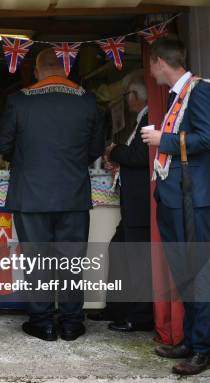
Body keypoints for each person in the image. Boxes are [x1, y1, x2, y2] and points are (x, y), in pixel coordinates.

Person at [0, 48, 104, 342]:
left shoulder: (18, 101)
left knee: (36, 259)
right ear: (65, 70)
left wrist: (26, 157)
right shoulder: (88, 101)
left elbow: (2, 144)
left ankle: (42, 322)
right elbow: (96, 148)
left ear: (36, 70)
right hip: (73, 193)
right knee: (71, 261)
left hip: (30, 195)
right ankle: (71, 323)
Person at [141, 38, 210, 375]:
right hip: (174, 197)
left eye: (150, 63)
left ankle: (202, 349)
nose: (150, 70)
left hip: (191, 198)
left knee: (197, 273)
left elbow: (208, 138)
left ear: (160, 61)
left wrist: (164, 140)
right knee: (184, 274)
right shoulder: (178, 95)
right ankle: (189, 341)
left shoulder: (200, 91)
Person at [90, 72, 154, 332]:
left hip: (141, 205)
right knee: (117, 251)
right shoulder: (141, 119)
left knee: (137, 261)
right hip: (133, 206)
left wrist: (114, 151)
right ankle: (116, 308)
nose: (125, 101)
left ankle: (139, 316)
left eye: (126, 95)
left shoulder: (150, 118)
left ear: (135, 96)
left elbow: (140, 156)